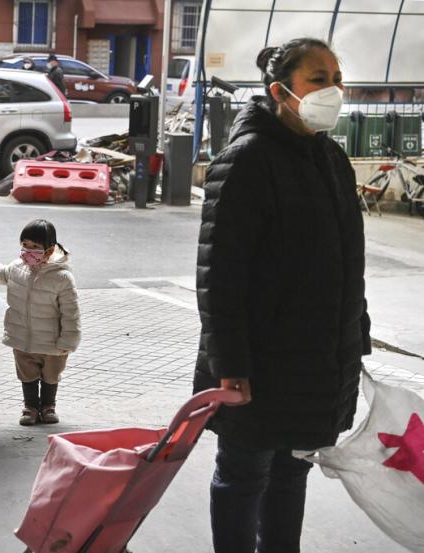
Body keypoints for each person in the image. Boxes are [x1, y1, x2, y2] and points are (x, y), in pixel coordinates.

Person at [194, 38, 370, 553]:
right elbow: (219, 275)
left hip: (316, 361)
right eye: (318, 79)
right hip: (257, 362)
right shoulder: (247, 160)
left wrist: (354, 336)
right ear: (279, 91)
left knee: (293, 475)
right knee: (243, 475)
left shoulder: (331, 159)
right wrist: (230, 362)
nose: (333, 90)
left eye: (337, 78)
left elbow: (345, 262)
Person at [0, 220, 80, 425]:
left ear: (49, 250)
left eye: (35, 247)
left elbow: (71, 314)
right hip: (22, 338)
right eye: (25, 245)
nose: (28, 251)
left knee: (51, 375)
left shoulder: (62, 278)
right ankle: (30, 407)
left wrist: (68, 341)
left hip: (52, 343)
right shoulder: (17, 268)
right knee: (26, 373)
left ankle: (48, 407)